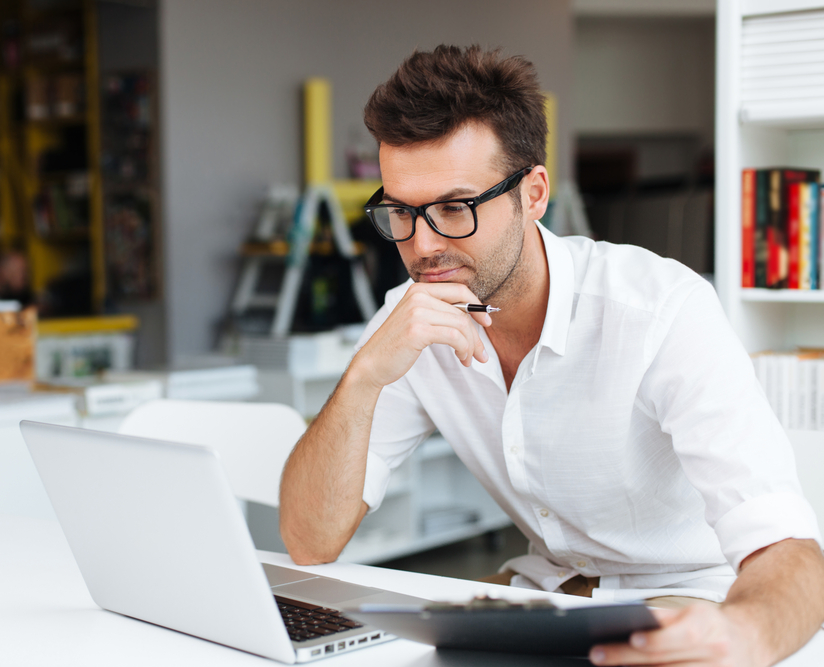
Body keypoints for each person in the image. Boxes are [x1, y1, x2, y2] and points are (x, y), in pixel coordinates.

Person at [278, 45, 824, 667]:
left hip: (689, 605)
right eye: (401, 212)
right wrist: (363, 378)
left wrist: (746, 637)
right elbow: (308, 542)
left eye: (455, 208)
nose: (424, 245)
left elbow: (789, 549)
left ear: (533, 194)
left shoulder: (661, 312)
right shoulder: (411, 319)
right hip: (540, 602)